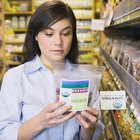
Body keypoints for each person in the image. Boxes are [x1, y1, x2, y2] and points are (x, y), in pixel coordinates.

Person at [0, 1, 104, 139]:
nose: (58, 42)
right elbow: (5, 134)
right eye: (49, 33)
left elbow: (90, 136)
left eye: (66, 33)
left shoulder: (86, 79)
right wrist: (40, 122)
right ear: (35, 35)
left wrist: (89, 127)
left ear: (73, 36)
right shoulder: (16, 77)